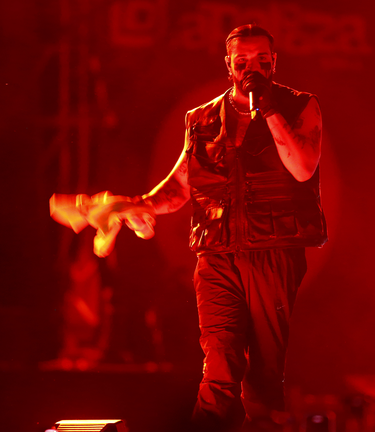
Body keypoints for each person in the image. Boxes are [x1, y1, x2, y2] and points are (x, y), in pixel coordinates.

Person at [50, 23, 327, 432]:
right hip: (216, 255)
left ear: (273, 62)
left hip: (274, 249)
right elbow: (182, 185)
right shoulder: (201, 119)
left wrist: (267, 108)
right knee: (218, 362)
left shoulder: (300, 106)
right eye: (243, 60)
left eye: (262, 60)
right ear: (229, 64)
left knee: (265, 372)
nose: (252, 67)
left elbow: (303, 168)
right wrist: (137, 206)